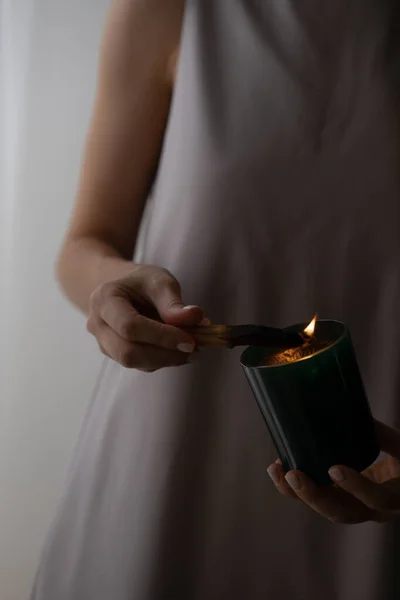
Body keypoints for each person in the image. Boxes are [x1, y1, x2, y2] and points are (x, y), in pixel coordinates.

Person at [31, 1, 400, 599]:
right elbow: (86, 244)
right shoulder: (167, 10)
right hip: (169, 470)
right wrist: (112, 296)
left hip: (377, 486)